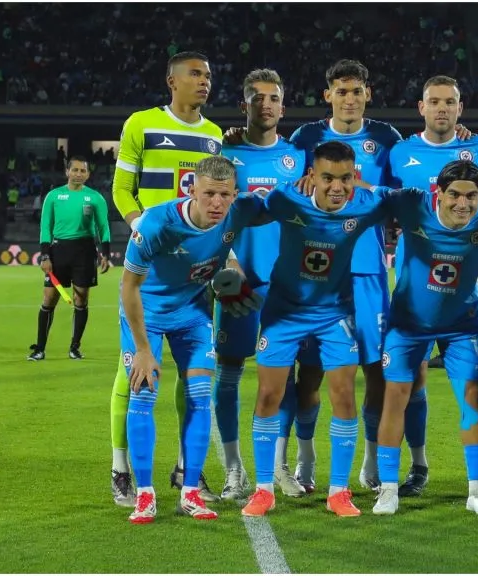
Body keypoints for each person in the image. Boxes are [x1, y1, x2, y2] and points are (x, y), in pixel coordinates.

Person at [241, 141, 394, 518]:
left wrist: (374, 189)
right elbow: (247, 213)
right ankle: (263, 489)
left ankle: (339, 492)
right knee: (268, 396)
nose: (337, 187)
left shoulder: (365, 204)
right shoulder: (286, 200)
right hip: (284, 312)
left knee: (343, 395)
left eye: (345, 178)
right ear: (312, 176)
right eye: (327, 178)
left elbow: (410, 201)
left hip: (334, 314)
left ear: (354, 177)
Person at [373, 160, 478, 516]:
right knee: (396, 396)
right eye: (454, 195)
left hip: (462, 325)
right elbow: (362, 192)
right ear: (438, 193)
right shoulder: (411, 204)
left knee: (473, 398)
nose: (463, 204)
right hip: (408, 324)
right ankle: (388, 489)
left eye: (471, 196)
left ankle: (477, 491)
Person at [120, 155, 267, 524]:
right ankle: (144, 495)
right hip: (147, 313)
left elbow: (234, 254)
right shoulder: (157, 223)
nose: (217, 203)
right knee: (144, 393)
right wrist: (141, 349)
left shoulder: (237, 213)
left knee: (201, 396)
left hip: (192, 313)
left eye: (225, 195)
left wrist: (233, 277)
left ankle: (190, 492)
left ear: (235, 193)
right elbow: (129, 289)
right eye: (209, 194)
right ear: (192, 190)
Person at [108, 51, 225, 506]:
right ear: (171, 80)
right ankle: (122, 468)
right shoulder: (140, 123)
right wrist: (141, 229)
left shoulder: (215, 136)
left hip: (193, 277)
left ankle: (184, 469)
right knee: (134, 374)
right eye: (195, 74)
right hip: (150, 261)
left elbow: (218, 200)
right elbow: (121, 188)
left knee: (193, 379)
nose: (204, 82)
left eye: (209, 75)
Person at [286, 59, 402, 495]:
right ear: (328, 94)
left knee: (376, 369)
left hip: (368, 270)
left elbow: (404, 190)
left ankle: (370, 461)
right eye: (341, 90)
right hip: (316, 270)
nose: (350, 98)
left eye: (357, 90)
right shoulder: (306, 138)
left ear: (367, 94)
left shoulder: (387, 139)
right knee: (310, 372)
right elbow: (284, 180)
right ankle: (306, 454)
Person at [386, 74, 478, 498]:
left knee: (472, 385)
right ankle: (416, 466)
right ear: (421, 107)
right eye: (435, 101)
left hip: (465, 278)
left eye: (450, 101)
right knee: (408, 384)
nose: (443, 109)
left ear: (460, 108)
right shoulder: (400, 152)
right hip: (414, 288)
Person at [214, 68, 307, 502]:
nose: (265, 104)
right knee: (229, 375)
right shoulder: (224, 153)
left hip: (285, 287)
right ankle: (234, 469)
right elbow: (214, 217)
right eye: (257, 98)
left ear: (282, 107)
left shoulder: (298, 158)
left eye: (273, 98)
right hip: (236, 285)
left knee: (282, 378)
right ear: (244, 104)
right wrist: (226, 270)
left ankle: (277, 466)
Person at [28, 156, 111, 361]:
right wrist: (45, 255)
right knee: (49, 298)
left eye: (83, 171)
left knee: (80, 299)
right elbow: (45, 227)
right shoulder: (54, 196)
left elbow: (103, 227)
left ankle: (75, 347)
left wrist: (106, 253)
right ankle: (39, 348)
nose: (78, 174)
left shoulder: (95, 198)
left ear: (88, 174)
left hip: (84, 251)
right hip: (58, 251)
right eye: (75, 170)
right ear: (67, 172)